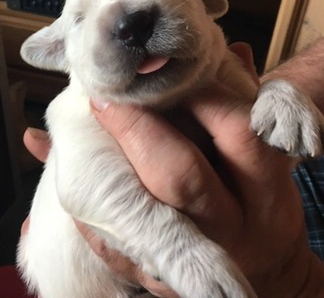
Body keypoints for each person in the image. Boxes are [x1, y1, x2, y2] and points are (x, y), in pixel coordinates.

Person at [23, 39, 324, 297]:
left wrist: (296, 283)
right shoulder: (74, 110)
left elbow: (278, 157)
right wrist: (176, 252)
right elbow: (83, 189)